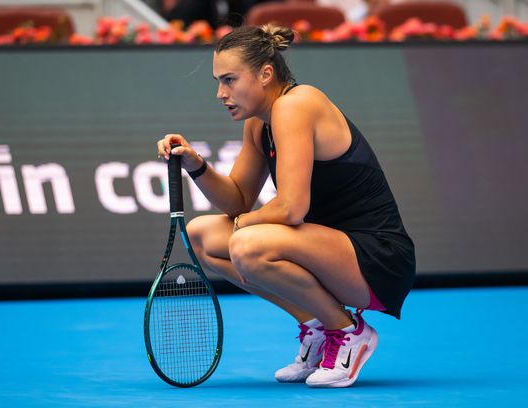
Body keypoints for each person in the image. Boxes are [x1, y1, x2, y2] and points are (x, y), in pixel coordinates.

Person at [156, 24, 415, 388]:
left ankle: (347, 331)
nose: (220, 93)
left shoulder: (296, 104)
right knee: (200, 235)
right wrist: (195, 165)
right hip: (328, 252)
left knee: (247, 245)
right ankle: (317, 326)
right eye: (218, 82)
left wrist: (243, 226)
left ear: (265, 74)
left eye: (229, 80)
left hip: (377, 261)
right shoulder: (258, 124)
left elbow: (292, 208)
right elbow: (237, 200)